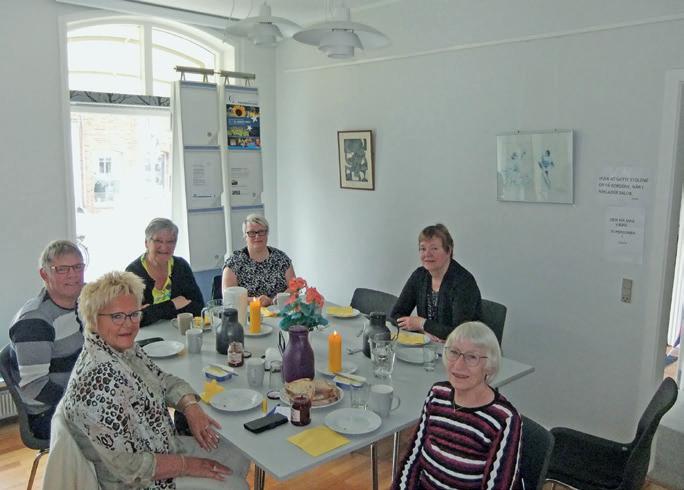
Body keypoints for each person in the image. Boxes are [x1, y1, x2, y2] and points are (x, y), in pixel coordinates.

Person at [61, 271, 249, 489]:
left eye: (134, 314)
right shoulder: (96, 382)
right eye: (117, 316)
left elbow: (161, 380)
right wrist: (186, 465)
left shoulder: (122, 349)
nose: (129, 324)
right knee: (235, 485)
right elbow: (129, 467)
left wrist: (189, 405)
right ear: (93, 319)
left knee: (237, 456)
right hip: (137, 481)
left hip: (161, 446)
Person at [393, 322, 523, 489]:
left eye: (472, 357)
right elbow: (413, 458)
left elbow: (500, 486)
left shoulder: (504, 418)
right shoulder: (437, 394)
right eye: (454, 353)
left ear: (489, 366)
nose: (459, 365)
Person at [8, 240, 85, 439]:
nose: (73, 275)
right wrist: (86, 401)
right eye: (62, 269)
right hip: (48, 413)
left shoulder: (79, 303)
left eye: (78, 267)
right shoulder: (34, 322)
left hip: (75, 393)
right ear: (44, 274)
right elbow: (35, 386)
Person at [391, 223, 482, 341]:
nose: (427, 254)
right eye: (423, 249)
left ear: (448, 251)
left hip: (467, 348)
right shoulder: (419, 276)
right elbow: (396, 315)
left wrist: (422, 323)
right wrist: (423, 330)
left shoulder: (464, 282)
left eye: (434, 248)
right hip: (431, 346)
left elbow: (459, 333)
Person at [126, 218, 204, 327]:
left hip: (179, 331)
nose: (164, 247)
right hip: (147, 334)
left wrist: (153, 310)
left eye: (170, 242)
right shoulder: (133, 272)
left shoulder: (181, 266)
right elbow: (133, 318)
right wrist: (174, 304)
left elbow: (198, 308)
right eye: (158, 241)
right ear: (146, 243)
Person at [222, 214, 295, 306]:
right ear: (245, 236)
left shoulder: (281, 258)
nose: (257, 236)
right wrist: (256, 301)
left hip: (279, 311)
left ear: (267, 233)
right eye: (251, 232)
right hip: (247, 313)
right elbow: (229, 297)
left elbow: (295, 287)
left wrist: (276, 300)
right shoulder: (233, 262)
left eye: (261, 232)